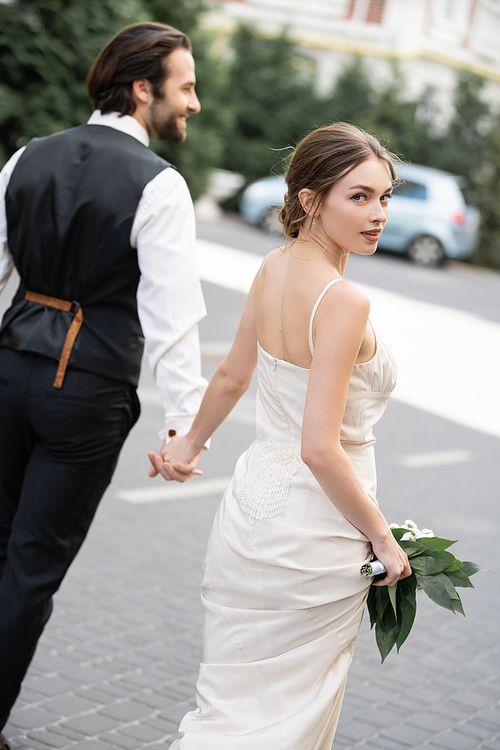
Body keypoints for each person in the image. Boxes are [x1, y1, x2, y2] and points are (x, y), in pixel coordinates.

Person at [148, 123, 412, 749]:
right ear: (310, 199)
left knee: (233, 706)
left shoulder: (271, 266)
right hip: (316, 534)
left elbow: (233, 375)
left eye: (385, 198)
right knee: (283, 720)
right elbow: (319, 447)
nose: (378, 214)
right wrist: (382, 539)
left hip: (248, 517)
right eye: (360, 197)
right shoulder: (343, 300)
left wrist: (186, 446)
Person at [0, 22, 207, 748]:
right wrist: (183, 426)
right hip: (84, 392)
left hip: (9, 370)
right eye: (185, 88)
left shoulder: (27, 156)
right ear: (143, 87)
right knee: (30, 569)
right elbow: (173, 321)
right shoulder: (160, 184)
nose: (196, 104)